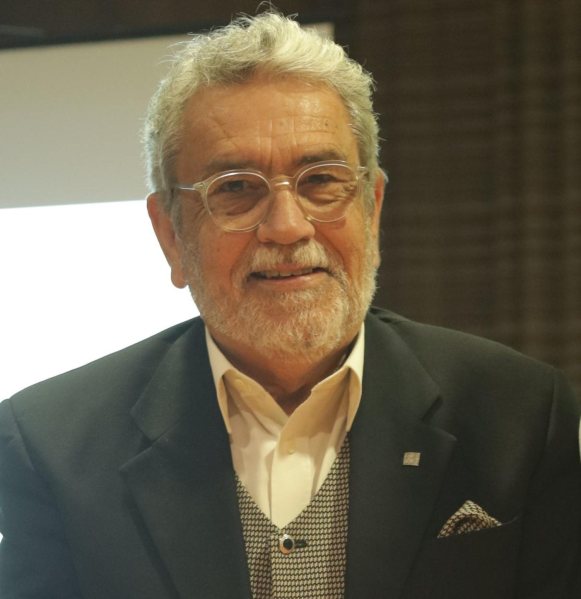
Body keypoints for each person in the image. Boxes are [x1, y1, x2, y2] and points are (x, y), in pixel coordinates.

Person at [0, 11, 579, 599]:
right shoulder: (49, 447)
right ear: (171, 234)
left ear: (372, 210)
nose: (286, 227)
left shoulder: (520, 414)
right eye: (235, 189)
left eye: (321, 180)